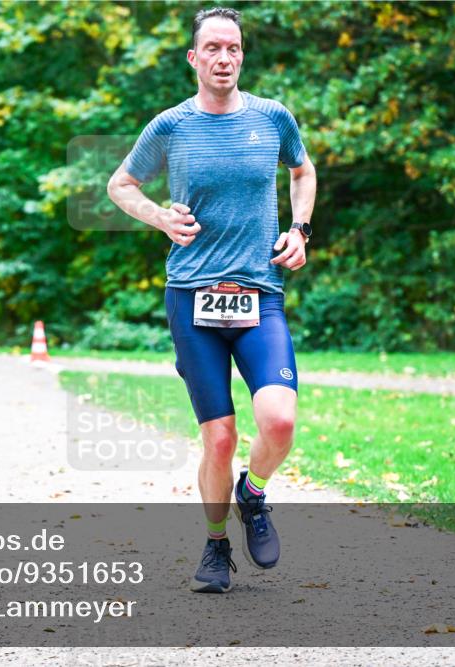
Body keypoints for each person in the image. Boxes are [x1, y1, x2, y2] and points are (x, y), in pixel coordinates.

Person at [107, 6, 317, 593]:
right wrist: (158, 217)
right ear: (193, 58)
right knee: (219, 437)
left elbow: (303, 172)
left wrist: (300, 230)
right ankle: (216, 544)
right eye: (213, 49)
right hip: (191, 297)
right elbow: (120, 184)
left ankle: (253, 493)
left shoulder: (273, 118)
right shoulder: (171, 126)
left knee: (279, 421)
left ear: (242, 55)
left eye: (234, 48)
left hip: (260, 294)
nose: (225, 58)